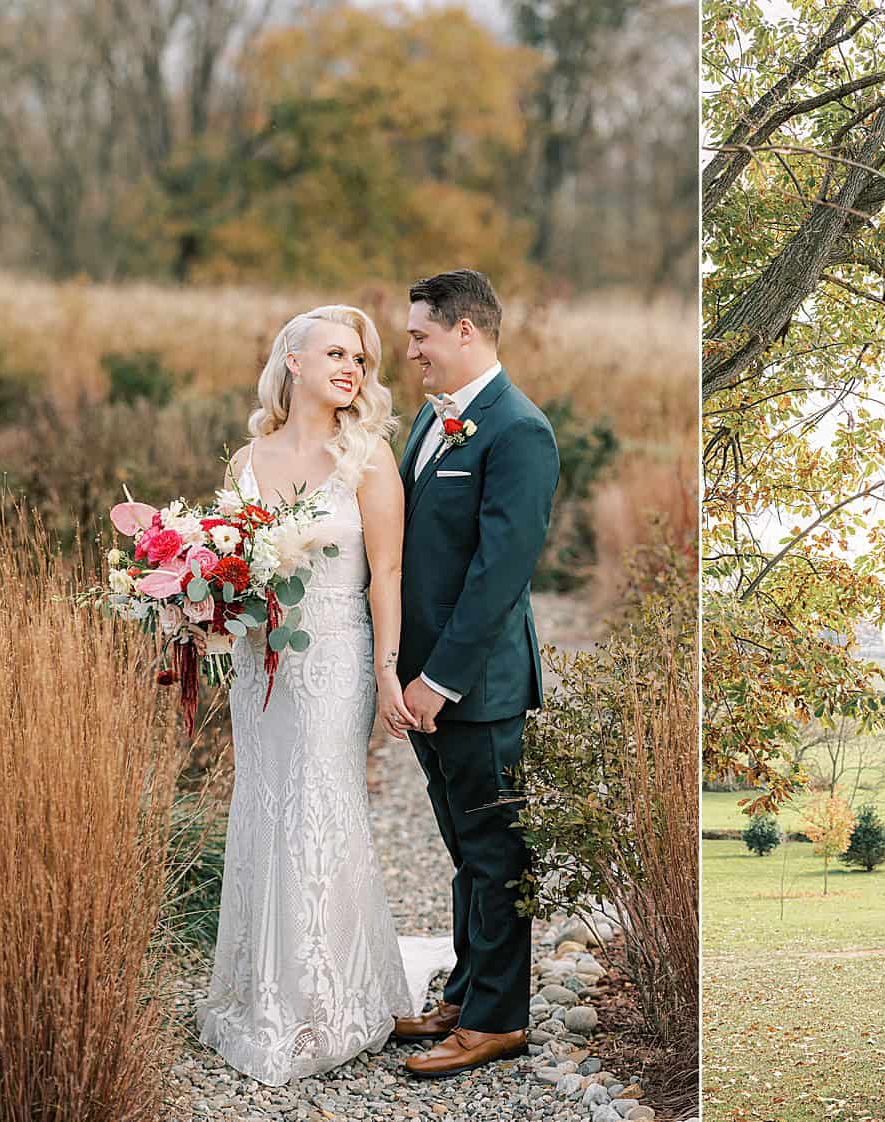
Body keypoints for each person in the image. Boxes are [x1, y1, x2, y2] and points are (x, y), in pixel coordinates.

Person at [196, 305, 421, 1085]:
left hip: (334, 658)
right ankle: (260, 989)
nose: (352, 368)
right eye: (334, 352)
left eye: (360, 357)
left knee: (322, 802)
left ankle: (327, 998)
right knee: (264, 802)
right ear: (292, 360)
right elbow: (227, 568)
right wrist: (202, 614)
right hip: (262, 665)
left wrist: (390, 671)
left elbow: (386, 576)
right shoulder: (247, 460)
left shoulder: (369, 457)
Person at [385, 270, 561, 1079]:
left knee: (495, 855)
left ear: (465, 331)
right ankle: (467, 988)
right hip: (424, 681)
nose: (410, 348)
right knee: (466, 850)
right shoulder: (433, 417)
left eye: (421, 334)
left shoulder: (518, 430)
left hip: (476, 690)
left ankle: (498, 1020)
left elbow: (500, 573)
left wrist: (439, 679)